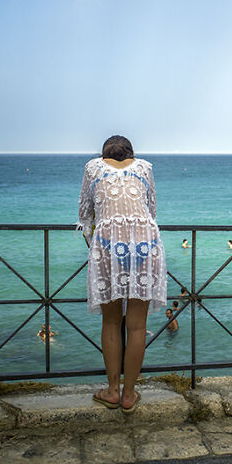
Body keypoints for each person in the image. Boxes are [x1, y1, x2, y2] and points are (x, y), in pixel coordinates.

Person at [79, 135, 167, 414]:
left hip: (107, 245)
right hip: (145, 245)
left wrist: (99, 247)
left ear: (103, 155)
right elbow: (151, 212)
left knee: (111, 322)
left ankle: (112, 391)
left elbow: (85, 217)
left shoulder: (92, 168)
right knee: (137, 326)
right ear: (131, 154)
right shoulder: (145, 168)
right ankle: (129, 395)